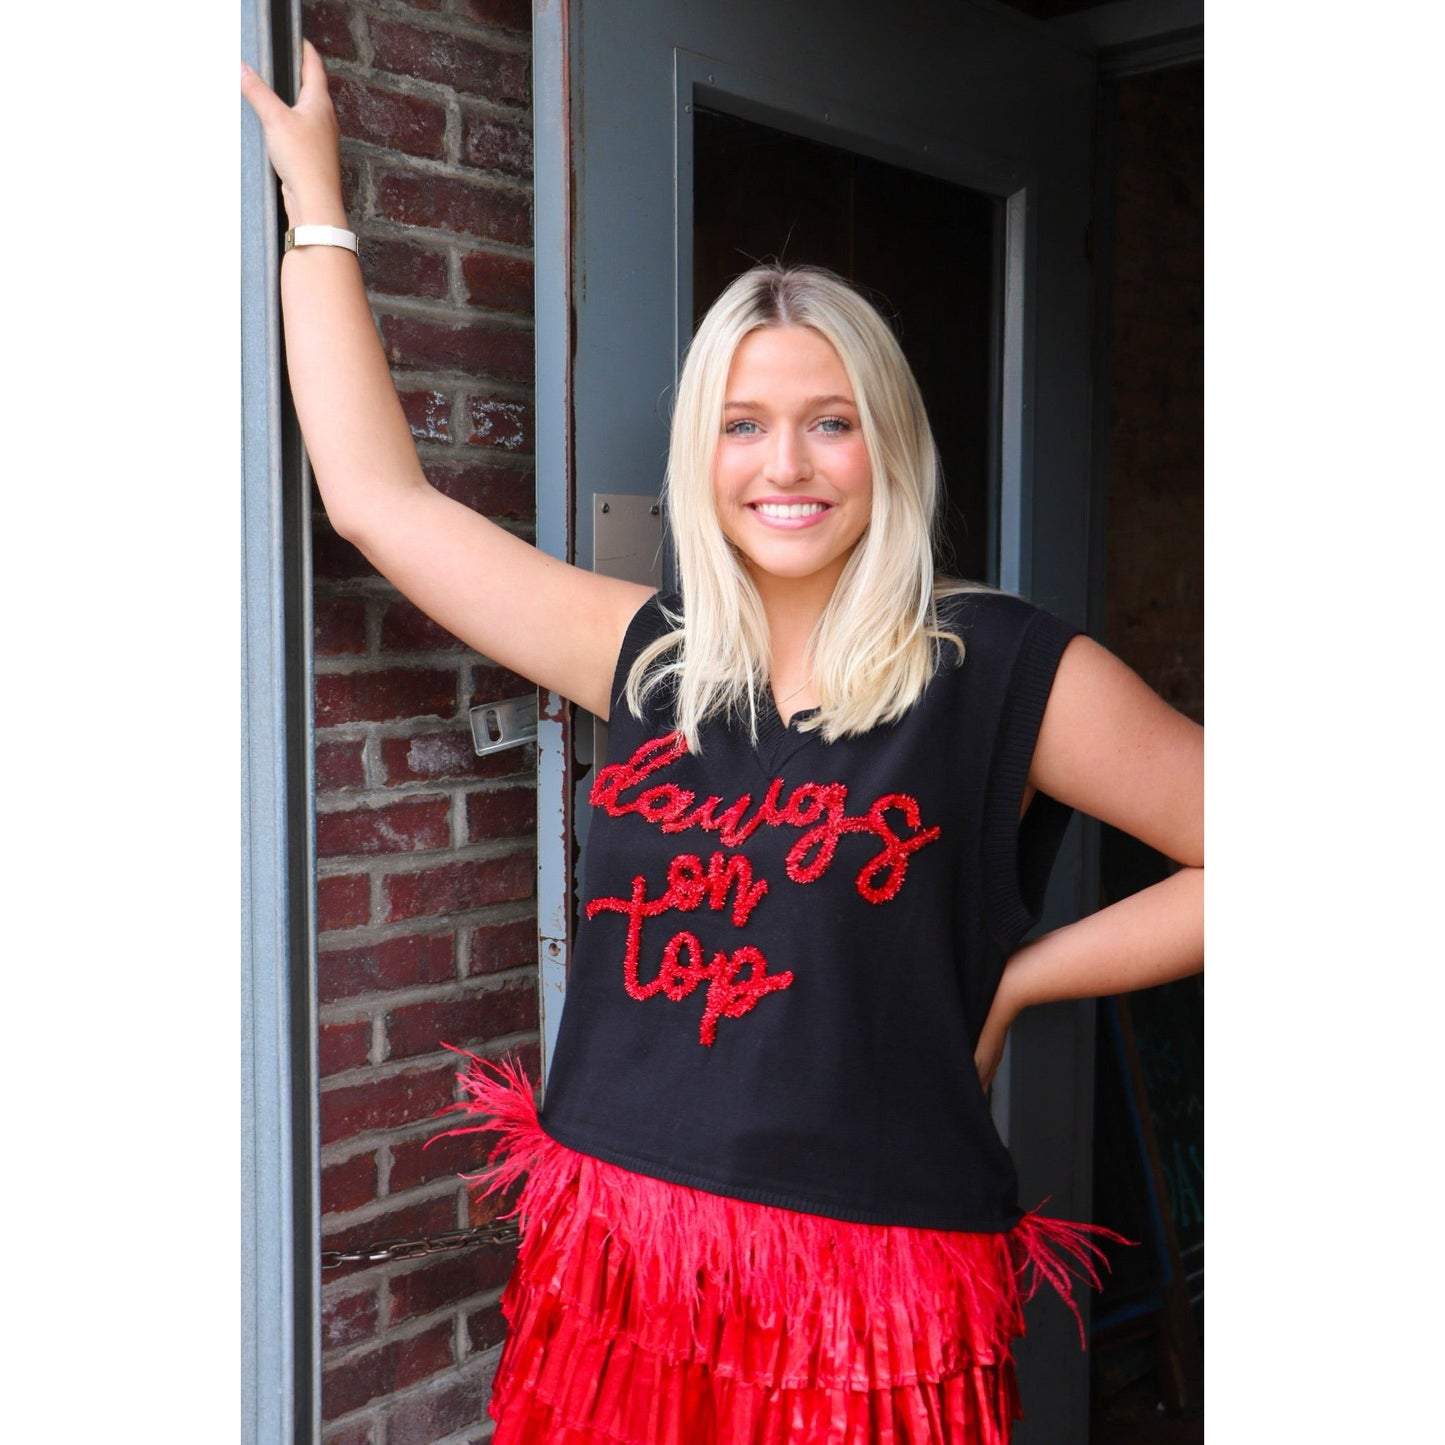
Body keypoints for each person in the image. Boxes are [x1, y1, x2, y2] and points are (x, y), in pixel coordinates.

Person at [243, 42, 1203, 1445]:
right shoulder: (650, 659)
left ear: (891, 448)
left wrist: (1016, 977)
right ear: (703, 454)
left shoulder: (999, 667)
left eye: (832, 423)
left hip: (870, 1296)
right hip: (617, 1268)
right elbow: (380, 505)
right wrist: (315, 199)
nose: (787, 465)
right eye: (744, 426)